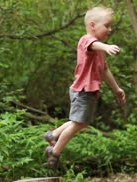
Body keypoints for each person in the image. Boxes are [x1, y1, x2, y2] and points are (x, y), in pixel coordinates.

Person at [44, 7, 126, 169]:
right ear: (93, 25)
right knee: (79, 124)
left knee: (80, 123)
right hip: (82, 90)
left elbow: (104, 70)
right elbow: (93, 44)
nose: (110, 29)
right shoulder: (86, 40)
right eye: (107, 25)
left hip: (88, 91)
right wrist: (106, 47)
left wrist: (117, 89)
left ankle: (53, 135)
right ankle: (54, 152)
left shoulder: (99, 50)